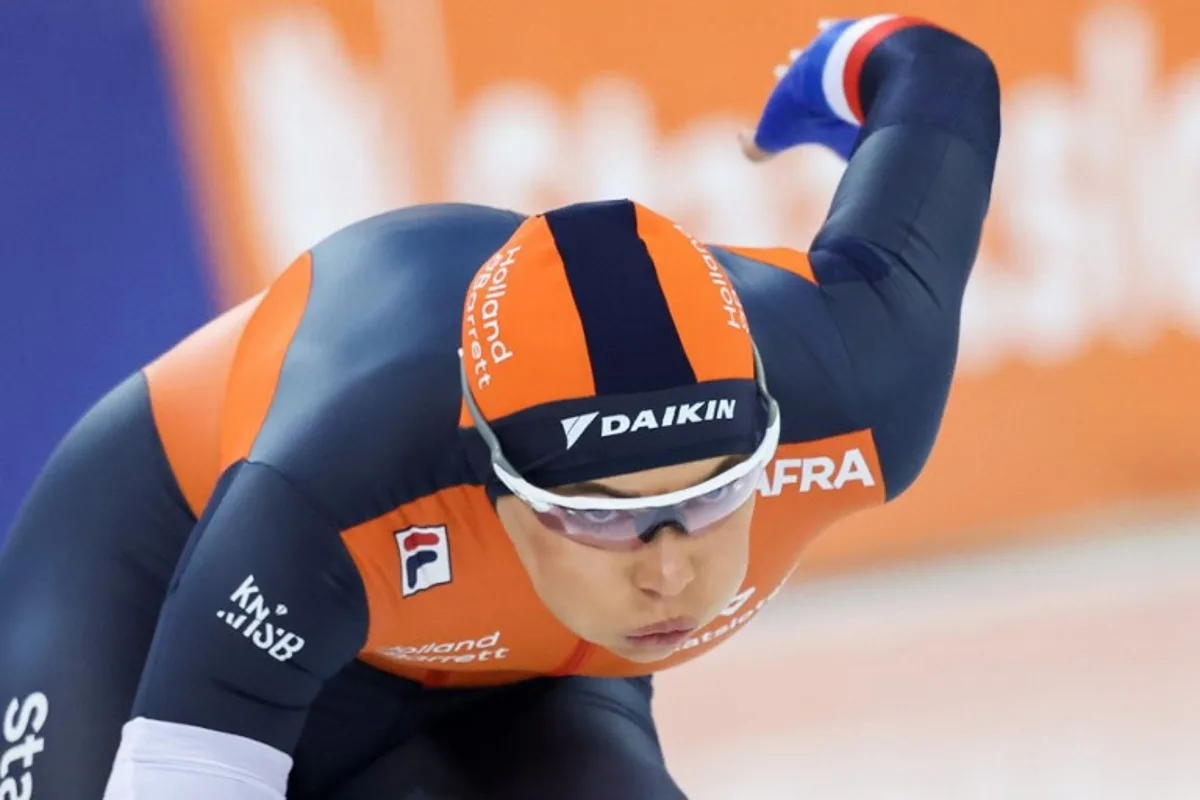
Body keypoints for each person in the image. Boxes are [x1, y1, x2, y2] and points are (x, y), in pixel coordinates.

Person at [0, 13, 1000, 800]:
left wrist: (840, 59)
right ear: (493, 475)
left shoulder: (859, 386)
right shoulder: (334, 480)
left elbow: (941, 81)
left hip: (510, 667)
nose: (667, 569)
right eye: (602, 513)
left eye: (710, 495)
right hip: (155, 561)